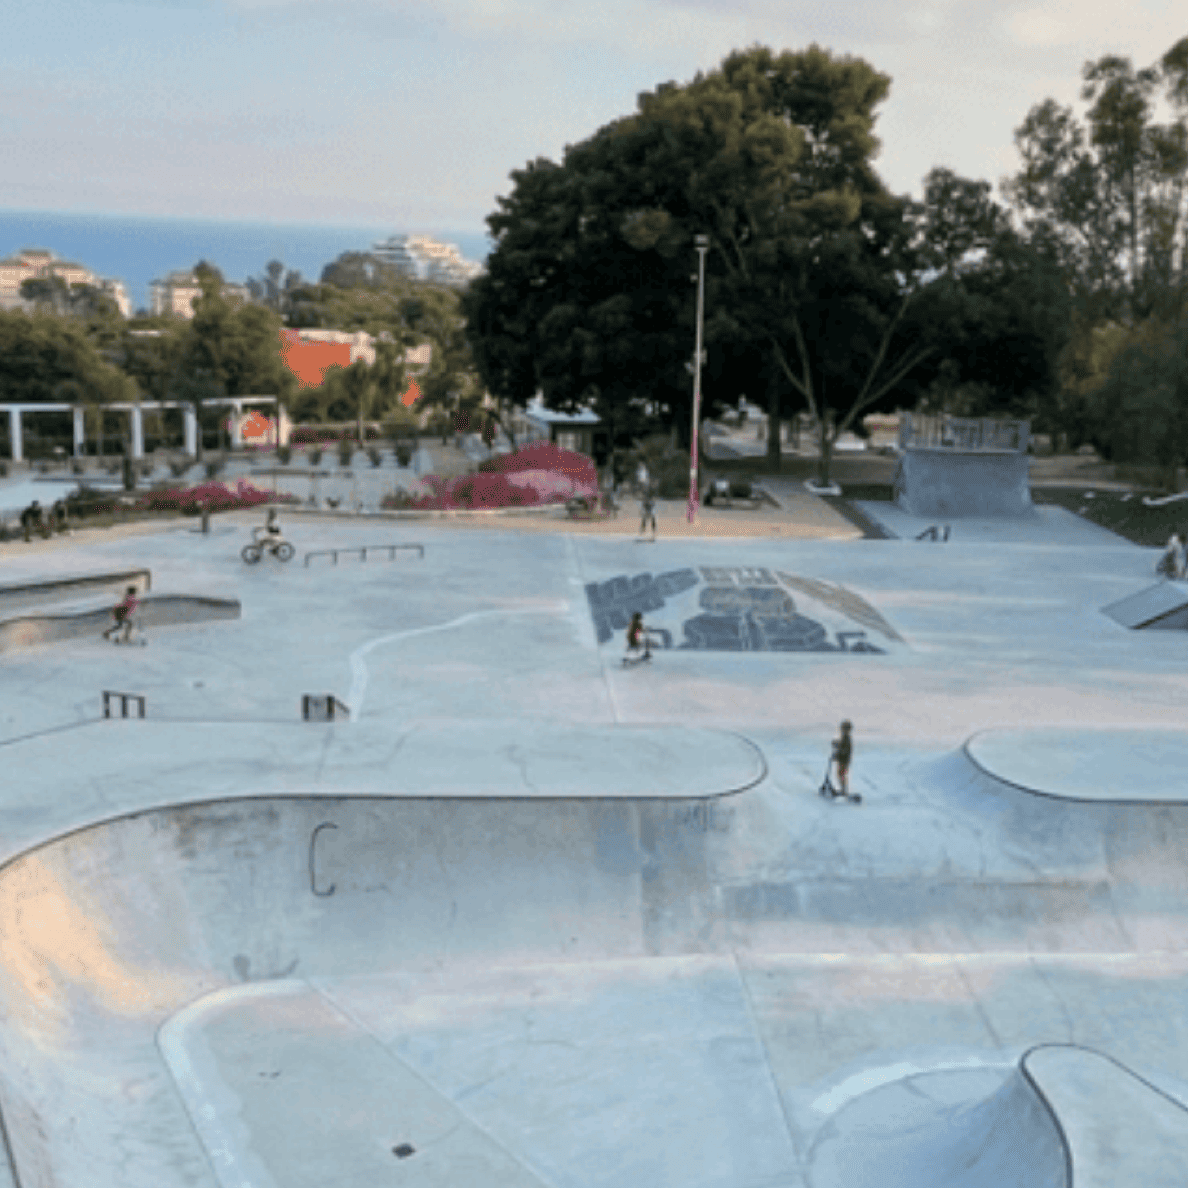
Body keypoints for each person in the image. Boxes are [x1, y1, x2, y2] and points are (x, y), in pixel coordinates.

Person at [832, 720, 854, 798]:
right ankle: (843, 789)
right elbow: (841, 746)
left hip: (844, 760)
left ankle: (844, 790)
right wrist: (836, 744)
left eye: (844, 729)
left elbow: (844, 750)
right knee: (840, 774)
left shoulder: (847, 738)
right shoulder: (844, 737)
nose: (842, 730)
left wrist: (837, 754)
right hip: (842, 759)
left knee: (841, 774)